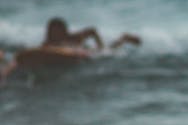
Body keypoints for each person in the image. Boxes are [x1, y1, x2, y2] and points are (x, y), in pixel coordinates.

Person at [1, 18, 141, 82]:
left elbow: (92, 30)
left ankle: (124, 39)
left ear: (63, 30)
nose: (52, 33)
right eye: (50, 30)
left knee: (107, 51)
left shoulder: (73, 38)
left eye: (55, 30)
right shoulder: (47, 43)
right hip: (57, 56)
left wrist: (100, 46)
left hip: (79, 53)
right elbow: (31, 55)